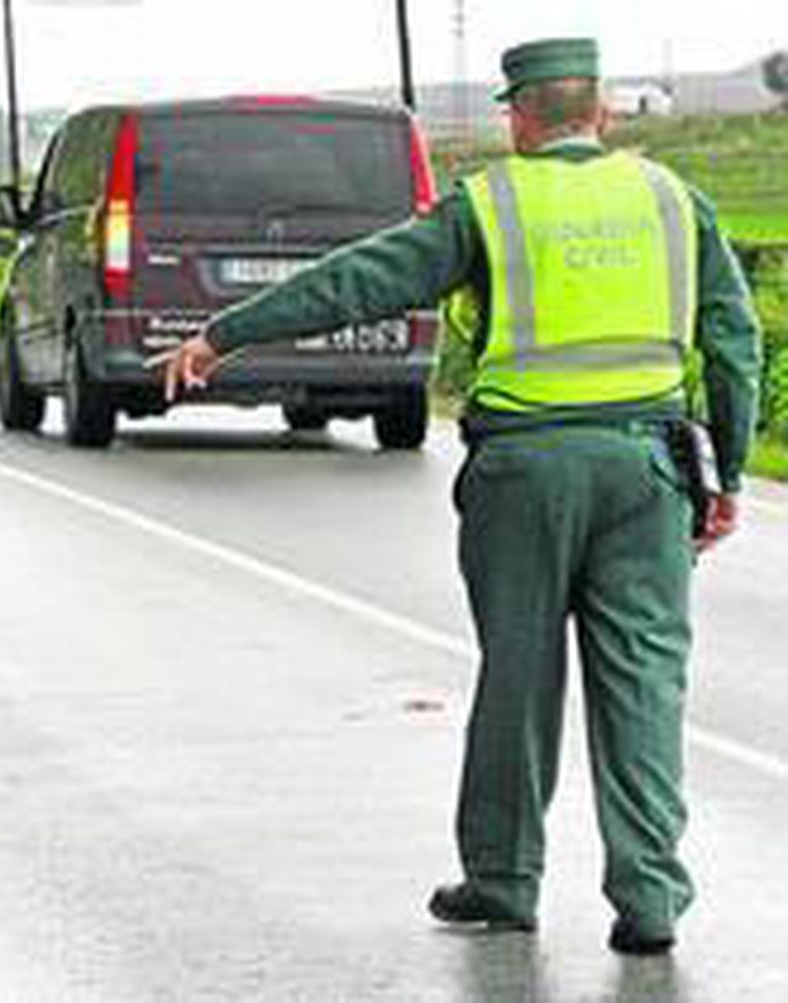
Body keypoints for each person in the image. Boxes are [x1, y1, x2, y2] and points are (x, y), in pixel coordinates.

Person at [155, 37, 761, 955]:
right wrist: (729, 471)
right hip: (650, 471)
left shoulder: (491, 203)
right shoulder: (675, 200)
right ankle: (649, 896)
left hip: (524, 474)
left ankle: (503, 880)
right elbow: (735, 341)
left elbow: (362, 279)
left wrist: (225, 334)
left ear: (517, 117)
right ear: (599, 113)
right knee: (644, 683)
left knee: (518, 677)